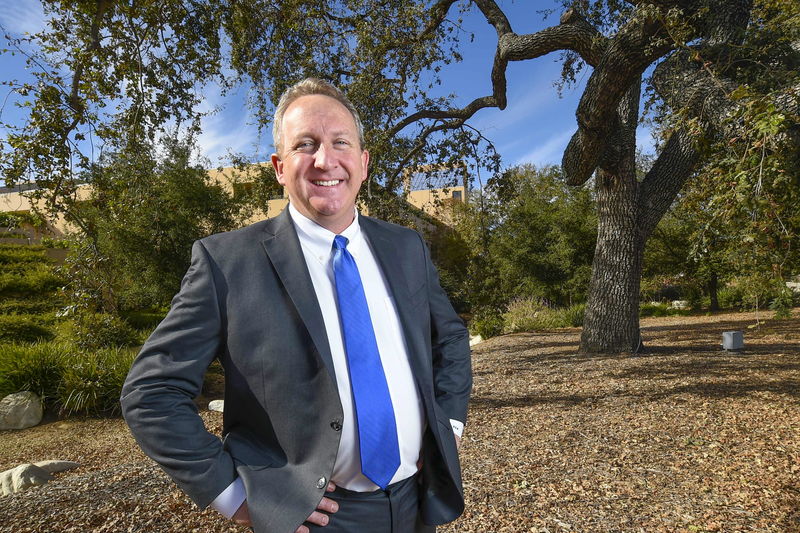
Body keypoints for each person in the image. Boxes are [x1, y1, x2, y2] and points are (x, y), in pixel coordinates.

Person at [121, 78, 472, 533]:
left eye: (340, 142)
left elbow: (450, 338)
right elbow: (151, 394)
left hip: (417, 501)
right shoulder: (225, 263)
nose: (325, 160)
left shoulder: (405, 247)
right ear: (279, 167)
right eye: (305, 145)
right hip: (313, 520)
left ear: (363, 163)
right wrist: (237, 498)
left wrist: (446, 426)